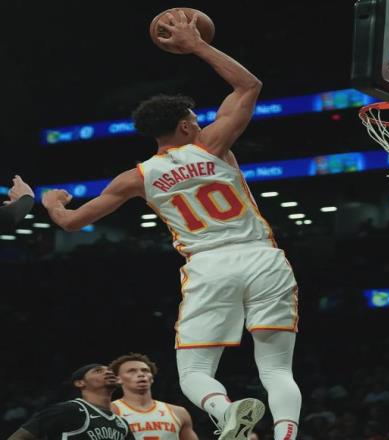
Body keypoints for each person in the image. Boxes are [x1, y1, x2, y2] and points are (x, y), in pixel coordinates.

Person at [42, 11, 301, 440]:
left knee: (194, 372)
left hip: (207, 266)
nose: (200, 123)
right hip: (262, 258)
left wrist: (52, 203)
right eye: (195, 119)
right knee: (276, 367)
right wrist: (196, 45)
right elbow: (248, 85)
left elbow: (71, 223)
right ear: (185, 125)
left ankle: (225, 411)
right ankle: (286, 434)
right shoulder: (213, 145)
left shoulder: (135, 178)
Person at [7, 364, 135, 440]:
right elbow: (19, 437)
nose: (108, 372)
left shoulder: (121, 424)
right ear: (80, 383)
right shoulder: (68, 410)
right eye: (98, 371)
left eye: (110, 370)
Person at [109, 352, 198, 440]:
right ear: (118, 379)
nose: (141, 374)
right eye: (132, 371)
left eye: (145, 370)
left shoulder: (178, 412)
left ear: (151, 378)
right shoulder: (111, 411)